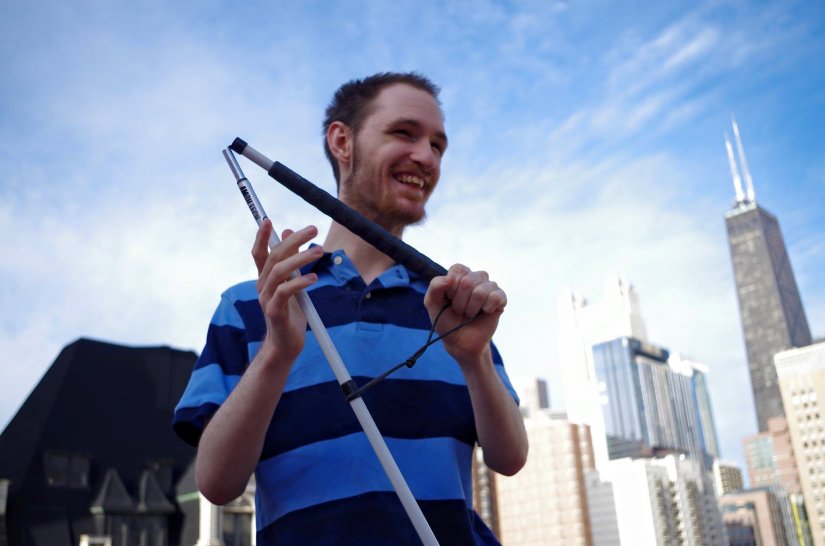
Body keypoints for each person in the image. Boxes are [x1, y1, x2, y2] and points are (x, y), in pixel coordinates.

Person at [173, 72, 528, 545]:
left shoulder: (451, 305)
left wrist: (475, 359)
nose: (426, 156)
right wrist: (278, 350)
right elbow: (217, 484)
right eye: (404, 133)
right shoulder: (251, 303)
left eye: (438, 146)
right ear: (342, 140)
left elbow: (509, 458)